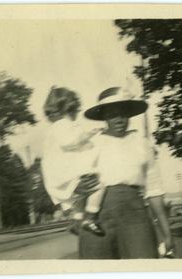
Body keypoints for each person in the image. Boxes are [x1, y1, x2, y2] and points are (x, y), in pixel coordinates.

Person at [78, 86, 174, 259]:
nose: (119, 119)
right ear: (104, 116)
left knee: (143, 267)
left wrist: (166, 232)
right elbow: (70, 178)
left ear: (129, 115)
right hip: (97, 217)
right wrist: (79, 189)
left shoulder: (142, 143)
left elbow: (154, 190)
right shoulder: (90, 143)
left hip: (135, 215)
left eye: (123, 113)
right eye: (112, 114)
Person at [41, 86, 106, 236]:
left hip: (60, 171)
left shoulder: (57, 127)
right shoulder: (62, 125)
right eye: (76, 109)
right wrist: (87, 136)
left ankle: (77, 220)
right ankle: (90, 217)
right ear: (70, 108)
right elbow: (69, 143)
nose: (78, 112)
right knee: (99, 185)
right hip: (65, 170)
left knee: (79, 195)